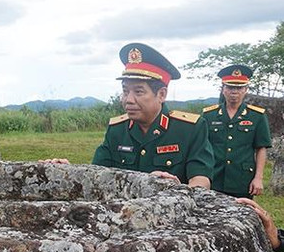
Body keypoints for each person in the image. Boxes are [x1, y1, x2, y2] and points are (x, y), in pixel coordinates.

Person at [90, 43, 214, 187]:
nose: (128, 100)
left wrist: (180, 190)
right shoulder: (117, 130)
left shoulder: (190, 129)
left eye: (138, 92)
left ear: (161, 94)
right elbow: (96, 174)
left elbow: (201, 179)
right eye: (125, 91)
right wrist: (66, 170)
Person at [202, 65, 271, 198]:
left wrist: (258, 178)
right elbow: (201, 146)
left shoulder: (257, 116)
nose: (234, 91)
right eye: (230, 87)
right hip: (214, 177)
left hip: (242, 179)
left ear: (246, 90)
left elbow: (261, 148)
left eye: (239, 87)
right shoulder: (209, 115)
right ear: (223, 89)